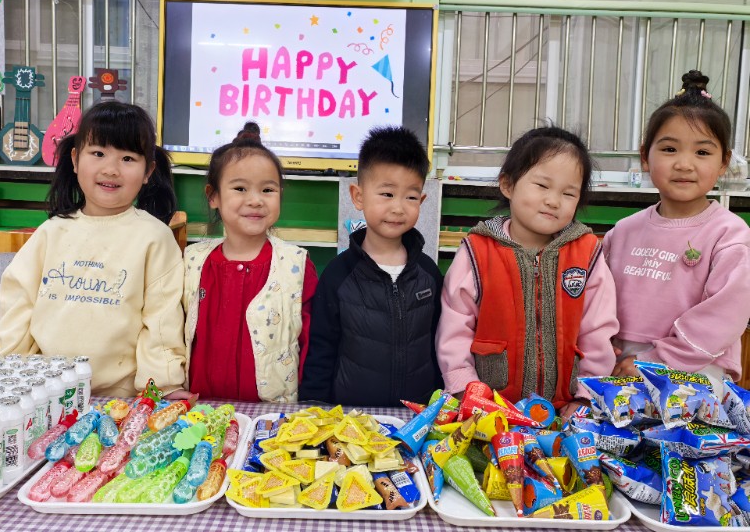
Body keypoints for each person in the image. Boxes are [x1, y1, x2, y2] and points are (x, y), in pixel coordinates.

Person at [0, 102, 187, 398]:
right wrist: (13, 373)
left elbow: (162, 320)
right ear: (75, 159)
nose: (110, 169)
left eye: (127, 158)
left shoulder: (154, 238)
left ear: (148, 170)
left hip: (120, 397)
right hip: (44, 392)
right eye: (98, 153)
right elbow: (18, 305)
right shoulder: (51, 232)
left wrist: (162, 385)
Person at [435, 126, 619, 418]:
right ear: (508, 185)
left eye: (568, 193)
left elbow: (598, 331)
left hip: (565, 412)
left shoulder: (586, 254)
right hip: (489, 410)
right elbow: (455, 328)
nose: (553, 200)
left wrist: (587, 398)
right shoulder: (478, 250)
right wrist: (465, 391)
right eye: (542, 186)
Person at [604, 70, 750, 389]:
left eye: (702, 152)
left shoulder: (729, 233)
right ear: (645, 156)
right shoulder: (624, 231)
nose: (684, 164)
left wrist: (659, 360)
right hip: (619, 365)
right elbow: (595, 297)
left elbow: (726, 314)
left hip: (694, 368)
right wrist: (600, 343)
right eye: (670, 149)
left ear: (723, 162)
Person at [300, 126, 443, 407]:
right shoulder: (338, 275)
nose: (398, 207)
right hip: (352, 417)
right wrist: (314, 405)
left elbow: (439, 344)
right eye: (387, 194)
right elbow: (321, 349)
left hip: (417, 416)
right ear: (358, 196)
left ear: (422, 201)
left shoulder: (428, 273)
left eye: (411, 197)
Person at [182, 122, 318, 402]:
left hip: (273, 415)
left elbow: (311, 342)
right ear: (213, 196)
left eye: (267, 190)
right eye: (240, 188)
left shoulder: (296, 264)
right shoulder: (192, 261)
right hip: (199, 411)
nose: (255, 201)